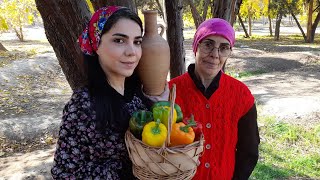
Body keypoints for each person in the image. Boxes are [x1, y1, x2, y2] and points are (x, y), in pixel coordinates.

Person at [51, 6, 167, 179]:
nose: (132, 52)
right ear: (96, 44)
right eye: (119, 41)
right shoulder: (83, 104)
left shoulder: (137, 96)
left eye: (137, 42)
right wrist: (126, 171)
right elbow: (64, 173)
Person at [169, 18, 260, 180]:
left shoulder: (241, 95)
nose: (215, 55)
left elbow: (249, 151)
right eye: (208, 44)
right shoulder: (170, 92)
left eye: (224, 48)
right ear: (196, 46)